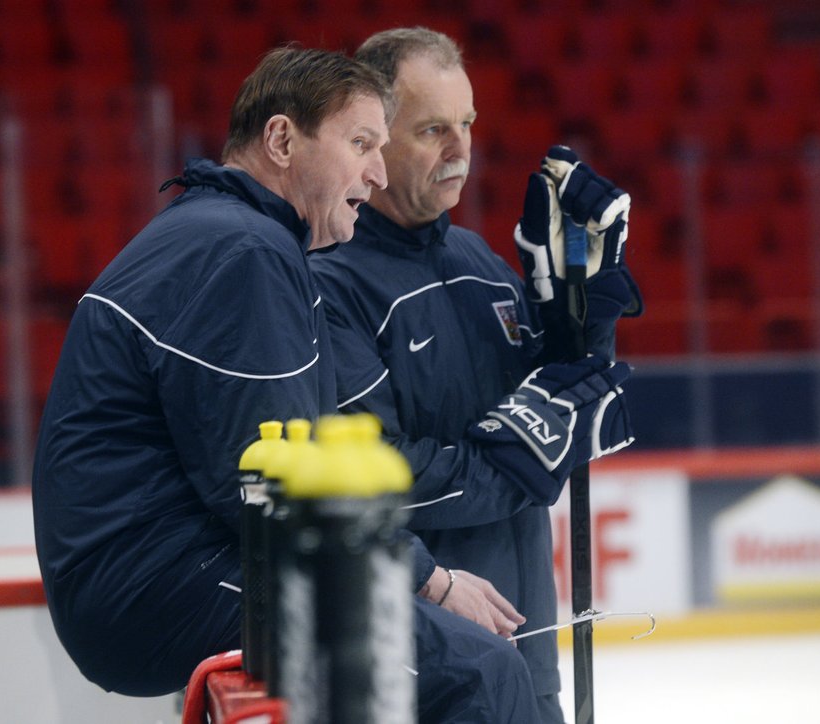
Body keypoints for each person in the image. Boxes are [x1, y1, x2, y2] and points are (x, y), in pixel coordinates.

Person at [32, 45, 542, 722]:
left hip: (140, 582)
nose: (377, 171)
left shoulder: (219, 234)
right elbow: (268, 481)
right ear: (281, 139)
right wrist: (429, 579)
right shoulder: (242, 250)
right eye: (361, 142)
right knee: (479, 668)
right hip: (156, 588)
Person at [309, 28, 641, 722]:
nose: (462, 148)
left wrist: (586, 313)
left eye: (467, 124)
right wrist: (514, 468)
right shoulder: (330, 285)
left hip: (527, 638)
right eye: (434, 129)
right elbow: (374, 481)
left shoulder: (480, 264)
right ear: (373, 138)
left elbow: (557, 414)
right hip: (423, 661)